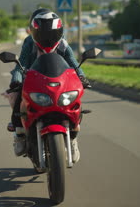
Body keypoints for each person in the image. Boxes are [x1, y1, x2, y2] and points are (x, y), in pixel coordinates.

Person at [6, 8, 90, 163]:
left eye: (52, 34)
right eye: (43, 34)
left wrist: (82, 78)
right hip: (33, 80)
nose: (48, 38)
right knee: (18, 100)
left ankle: (73, 139)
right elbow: (21, 64)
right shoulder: (29, 43)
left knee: (75, 104)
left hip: (60, 82)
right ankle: (19, 135)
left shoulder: (63, 44)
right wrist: (16, 80)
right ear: (34, 32)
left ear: (59, 31)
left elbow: (73, 63)